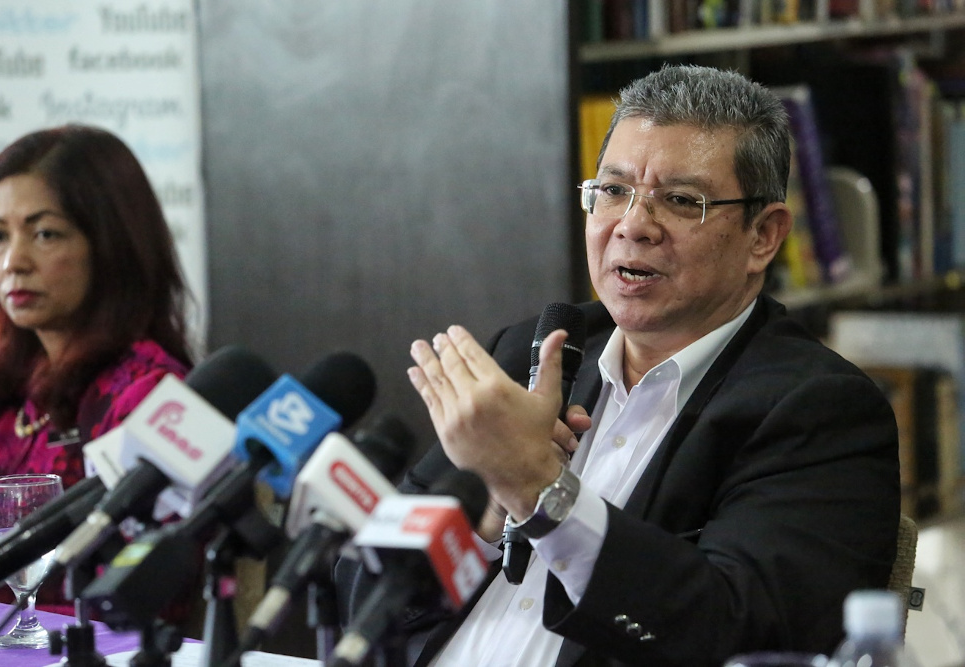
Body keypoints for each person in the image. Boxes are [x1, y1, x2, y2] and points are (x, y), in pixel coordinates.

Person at [358, 65, 901, 666]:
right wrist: (488, 512)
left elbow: (744, 635)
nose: (633, 226)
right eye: (613, 191)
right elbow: (355, 594)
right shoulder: (534, 354)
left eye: (679, 200)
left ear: (763, 237)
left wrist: (541, 489)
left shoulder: (819, 412)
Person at [0, 125, 194, 612]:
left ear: (111, 243)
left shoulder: (148, 397)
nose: (13, 262)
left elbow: (149, 591)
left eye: (45, 233)